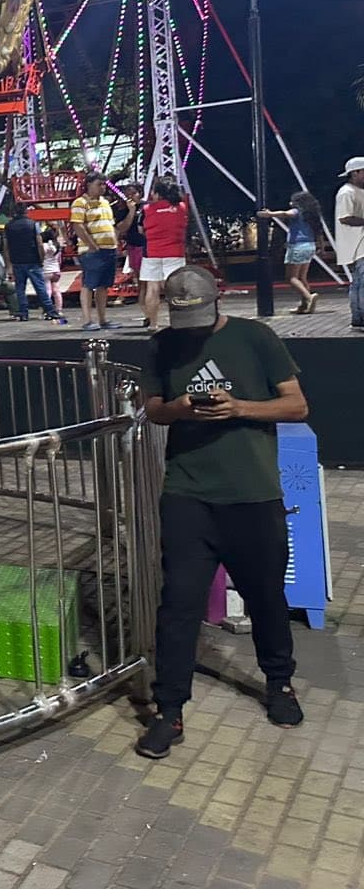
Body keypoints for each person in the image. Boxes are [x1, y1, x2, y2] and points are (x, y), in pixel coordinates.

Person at [135, 265, 309, 758]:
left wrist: (239, 409)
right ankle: (169, 711)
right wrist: (182, 407)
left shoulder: (256, 337)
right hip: (188, 494)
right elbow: (153, 409)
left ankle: (280, 685)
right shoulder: (163, 344)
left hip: (253, 495)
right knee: (179, 604)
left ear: (219, 299)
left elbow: (296, 406)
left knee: (266, 597)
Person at [69, 172, 130, 331]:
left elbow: (112, 225)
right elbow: (78, 225)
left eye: (104, 184)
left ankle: (102, 319)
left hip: (108, 249)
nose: (102, 188)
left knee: (104, 285)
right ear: (89, 184)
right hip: (92, 251)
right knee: (89, 284)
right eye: (99, 184)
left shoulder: (105, 203)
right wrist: (92, 245)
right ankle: (88, 320)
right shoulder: (80, 203)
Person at [257, 191, 324, 314]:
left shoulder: (297, 212)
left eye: (293, 201)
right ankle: (304, 306)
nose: (290, 203)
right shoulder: (312, 216)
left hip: (297, 246)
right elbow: (319, 232)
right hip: (310, 246)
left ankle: (309, 298)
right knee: (302, 277)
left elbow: (285, 213)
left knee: (291, 277)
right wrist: (322, 247)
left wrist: (269, 214)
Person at [140, 178, 190, 330]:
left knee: (152, 288)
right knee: (176, 289)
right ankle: (179, 322)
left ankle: (153, 324)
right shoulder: (181, 207)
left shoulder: (147, 209)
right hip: (175, 253)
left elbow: (141, 230)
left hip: (152, 252)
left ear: (158, 193)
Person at [4, 203, 63, 322]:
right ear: (26, 211)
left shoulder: (8, 226)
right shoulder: (32, 224)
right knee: (40, 287)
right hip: (32, 259)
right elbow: (39, 243)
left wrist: (9, 265)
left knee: (20, 288)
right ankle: (50, 310)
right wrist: (41, 259)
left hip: (17, 260)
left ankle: (23, 312)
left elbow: (6, 247)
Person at [335, 157, 364, 332]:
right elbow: (345, 217)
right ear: (355, 173)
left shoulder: (358, 191)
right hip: (357, 246)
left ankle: (358, 319)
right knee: (361, 283)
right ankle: (360, 317)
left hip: (359, 245)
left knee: (358, 283)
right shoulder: (347, 192)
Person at [121, 182, 147, 284]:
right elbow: (122, 228)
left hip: (145, 244)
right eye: (127, 195)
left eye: (133, 194)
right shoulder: (124, 209)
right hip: (132, 244)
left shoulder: (146, 206)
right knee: (136, 272)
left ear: (140, 193)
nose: (130, 197)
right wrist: (131, 211)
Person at [41, 226, 66, 309]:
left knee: (48, 290)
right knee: (56, 290)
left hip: (46, 271)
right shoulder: (57, 245)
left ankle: (48, 309)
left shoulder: (43, 246)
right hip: (56, 270)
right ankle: (59, 309)